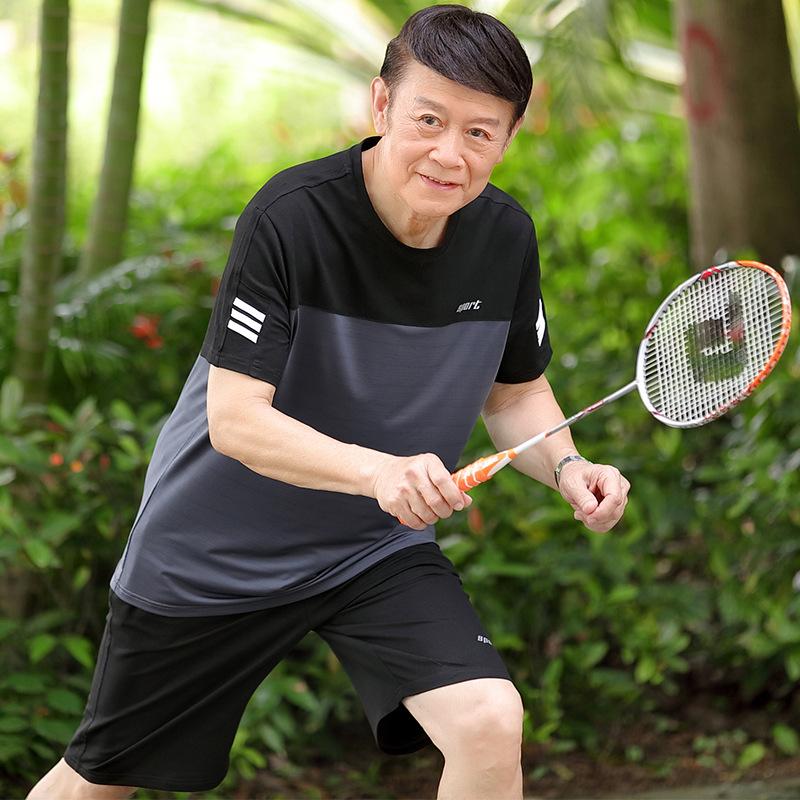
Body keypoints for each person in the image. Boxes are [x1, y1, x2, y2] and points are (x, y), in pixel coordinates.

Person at [27, 5, 630, 799]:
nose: (450, 153)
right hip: (216, 555)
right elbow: (235, 420)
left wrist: (567, 466)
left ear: (509, 137)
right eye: (428, 120)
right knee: (95, 784)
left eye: (480, 132)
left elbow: (515, 393)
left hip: (373, 549)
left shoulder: (504, 238)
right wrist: (381, 473)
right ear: (381, 104)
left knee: (489, 720)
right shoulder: (291, 218)